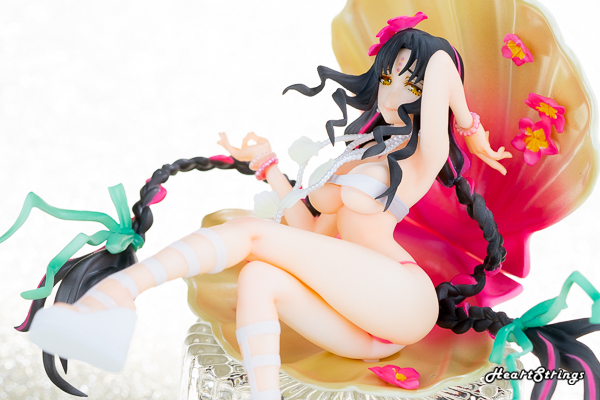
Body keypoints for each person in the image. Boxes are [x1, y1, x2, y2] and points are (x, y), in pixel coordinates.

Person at [2, 12, 598, 400]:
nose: (398, 92)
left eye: (413, 86)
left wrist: (464, 118)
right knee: (259, 275)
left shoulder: (417, 159)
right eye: (392, 77)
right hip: (361, 328)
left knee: (252, 236)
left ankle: (113, 297)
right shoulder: (356, 153)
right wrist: (266, 164)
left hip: (402, 297)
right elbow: (300, 225)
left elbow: (440, 66)